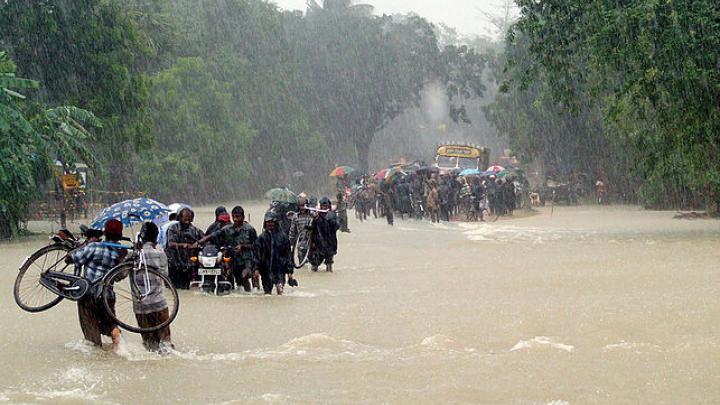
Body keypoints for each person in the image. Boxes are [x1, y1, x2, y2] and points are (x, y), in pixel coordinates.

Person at [66, 219, 125, 352]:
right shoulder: (121, 253)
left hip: (88, 295)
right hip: (107, 297)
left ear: (104, 232)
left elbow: (70, 259)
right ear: (120, 235)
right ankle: (116, 339)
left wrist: (84, 245)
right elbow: (120, 276)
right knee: (110, 326)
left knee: (92, 341)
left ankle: (96, 354)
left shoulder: (94, 247)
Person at [195, 206, 262, 291]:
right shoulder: (227, 229)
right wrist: (199, 242)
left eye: (238, 217)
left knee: (244, 276)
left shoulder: (250, 229)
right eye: (234, 217)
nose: (236, 219)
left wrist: (243, 246)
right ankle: (240, 295)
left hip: (247, 259)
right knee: (233, 279)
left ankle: (249, 293)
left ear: (243, 217)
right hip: (233, 259)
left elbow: (256, 245)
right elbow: (213, 235)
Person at [135, 222, 173, 352]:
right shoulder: (160, 254)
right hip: (159, 304)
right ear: (156, 238)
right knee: (166, 343)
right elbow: (165, 276)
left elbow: (119, 275)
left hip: (141, 307)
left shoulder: (133, 255)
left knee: (150, 346)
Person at [166, 207, 204, 289]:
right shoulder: (172, 228)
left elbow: (204, 241)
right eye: (185, 219)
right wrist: (183, 245)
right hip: (175, 263)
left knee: (187, 289)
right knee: (173, 288)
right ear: (179, 218)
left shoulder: (196, 230)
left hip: (189, 265)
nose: (187, 221)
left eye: (189, 219)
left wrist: (198, 245)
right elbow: (170, 244)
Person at [255, 212, 293, 295]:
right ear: (265, 223)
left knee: (280, 292)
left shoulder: (283, 237)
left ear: (276, 222)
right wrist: (256, 269)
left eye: (272, 222)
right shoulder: (261, 238)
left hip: (280, 269)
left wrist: (290, 272)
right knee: (267, 294)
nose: (270, 224)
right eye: (268, 222)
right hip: (265, 270)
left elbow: (288, 255)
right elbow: (257, 255)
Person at [308, 197, 339, 272]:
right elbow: (312, 228)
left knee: (329, 264)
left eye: (325, 206)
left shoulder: (332, 215)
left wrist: (330, 220)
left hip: (329, 244)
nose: (324, 207)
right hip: (318, 243)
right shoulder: (317, 215)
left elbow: (337, 226)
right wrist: (309, 226)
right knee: (314, 265)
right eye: (322, 206)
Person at [288, 197, 313, 269]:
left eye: (304, 205)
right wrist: (291, 243)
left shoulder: (312, 215)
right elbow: (292, 231)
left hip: (312, 242)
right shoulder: (295, 217)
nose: (302, 208)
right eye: (300, 206)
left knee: (313, 264)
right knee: (302, 265)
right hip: (301, 242)